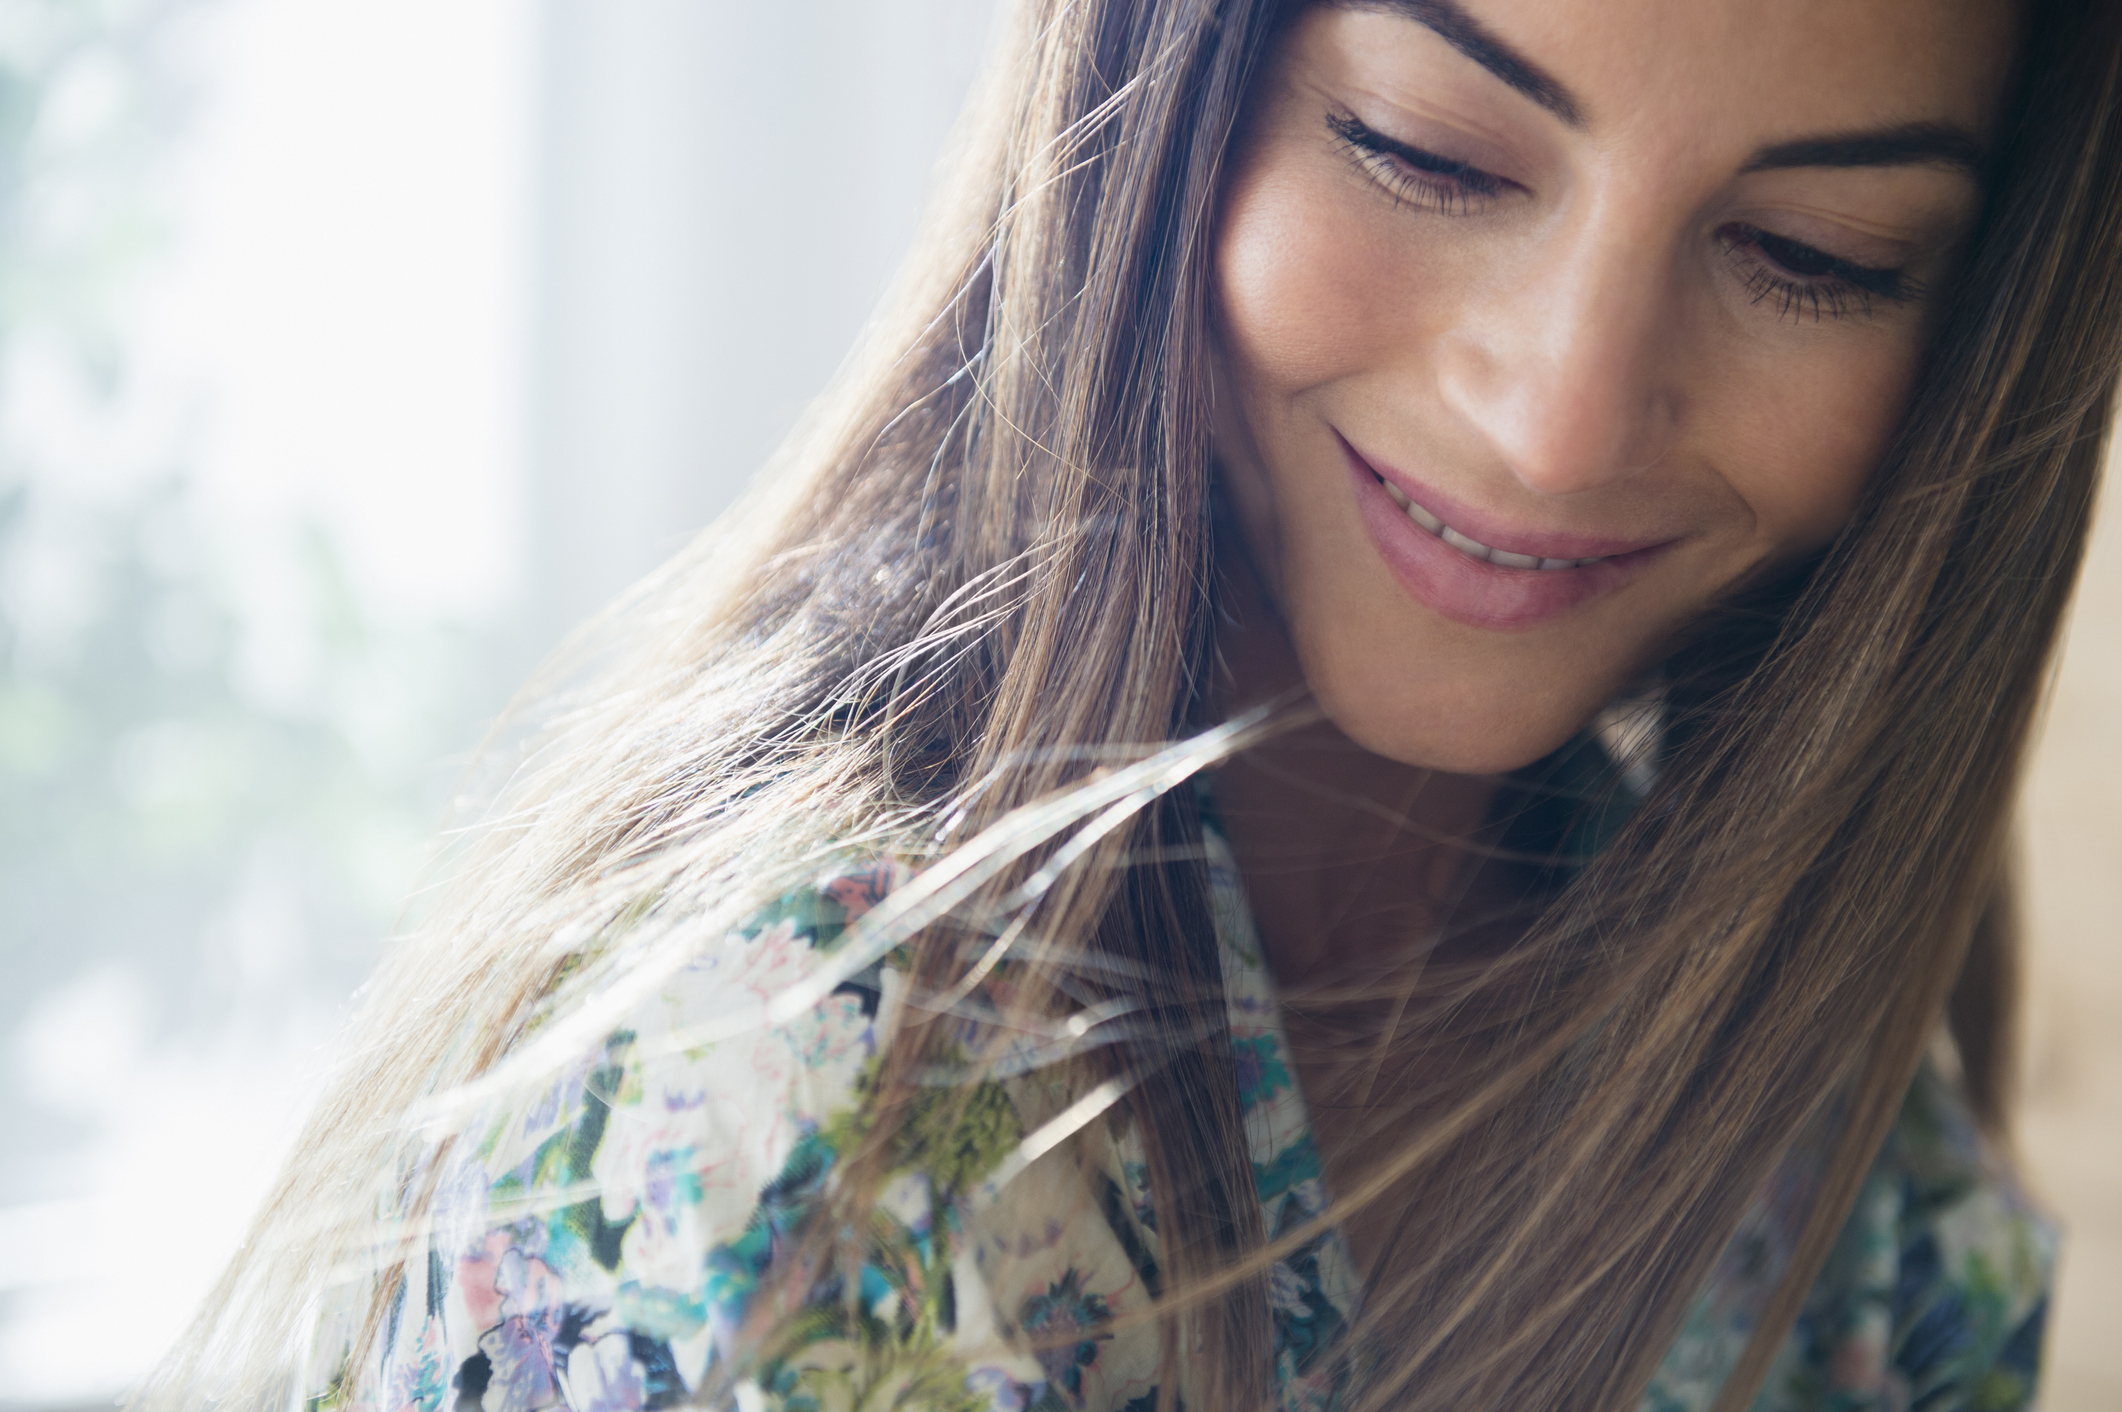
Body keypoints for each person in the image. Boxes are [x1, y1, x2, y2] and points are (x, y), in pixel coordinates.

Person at [144, 1, 2122, 1409]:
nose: (1562, 413)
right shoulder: (773, 1112)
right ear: (1163, 86)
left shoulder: (1857, 1196)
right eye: (1421, 147)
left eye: (1807, 255)